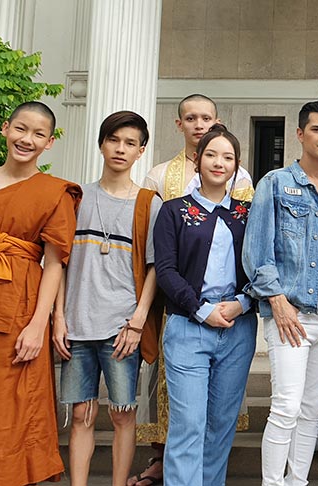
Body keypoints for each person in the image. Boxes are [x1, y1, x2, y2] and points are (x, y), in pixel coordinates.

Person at [0, 101, 81, 485]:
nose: (27, 139)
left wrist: (39, 325)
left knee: (15, 404)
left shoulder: (55, 193)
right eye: (21, 129)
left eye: (38, 134)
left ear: (49, 143)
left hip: (20, 308)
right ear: (5, 128)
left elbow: (54, 264)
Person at [133, 93, 254, 485]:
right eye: (211, 155)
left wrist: (242, 303)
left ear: (236, 166)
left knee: (220, 426)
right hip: (188, 326)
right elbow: (166, 271)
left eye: (228, 157)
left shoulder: (246, 214)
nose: (219, 163)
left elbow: (261, 267)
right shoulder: (174, 210)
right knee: (187, 424)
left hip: (237, 327)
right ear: (197, 161)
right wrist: (201, 309)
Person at [243, 101, 318, 486]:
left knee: (311, 411)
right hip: (291, 315)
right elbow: (257, 253)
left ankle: (298, 481)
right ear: (300, 134)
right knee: (286, 408)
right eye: (317, 129)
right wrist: (277, 302)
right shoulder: (275, 184)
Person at [54, 111, 163, 486]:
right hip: (77, 324)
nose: (120, 148)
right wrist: (58, 317)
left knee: (122, 414)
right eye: (114, 140)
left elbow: (154, 268)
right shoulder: (76, 198)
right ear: (101, 144)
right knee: (81, 414)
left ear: (141, 151)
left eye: (130, 143)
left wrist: (138, 320)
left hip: (122, 327)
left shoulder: (149, 203)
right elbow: (60, 263)